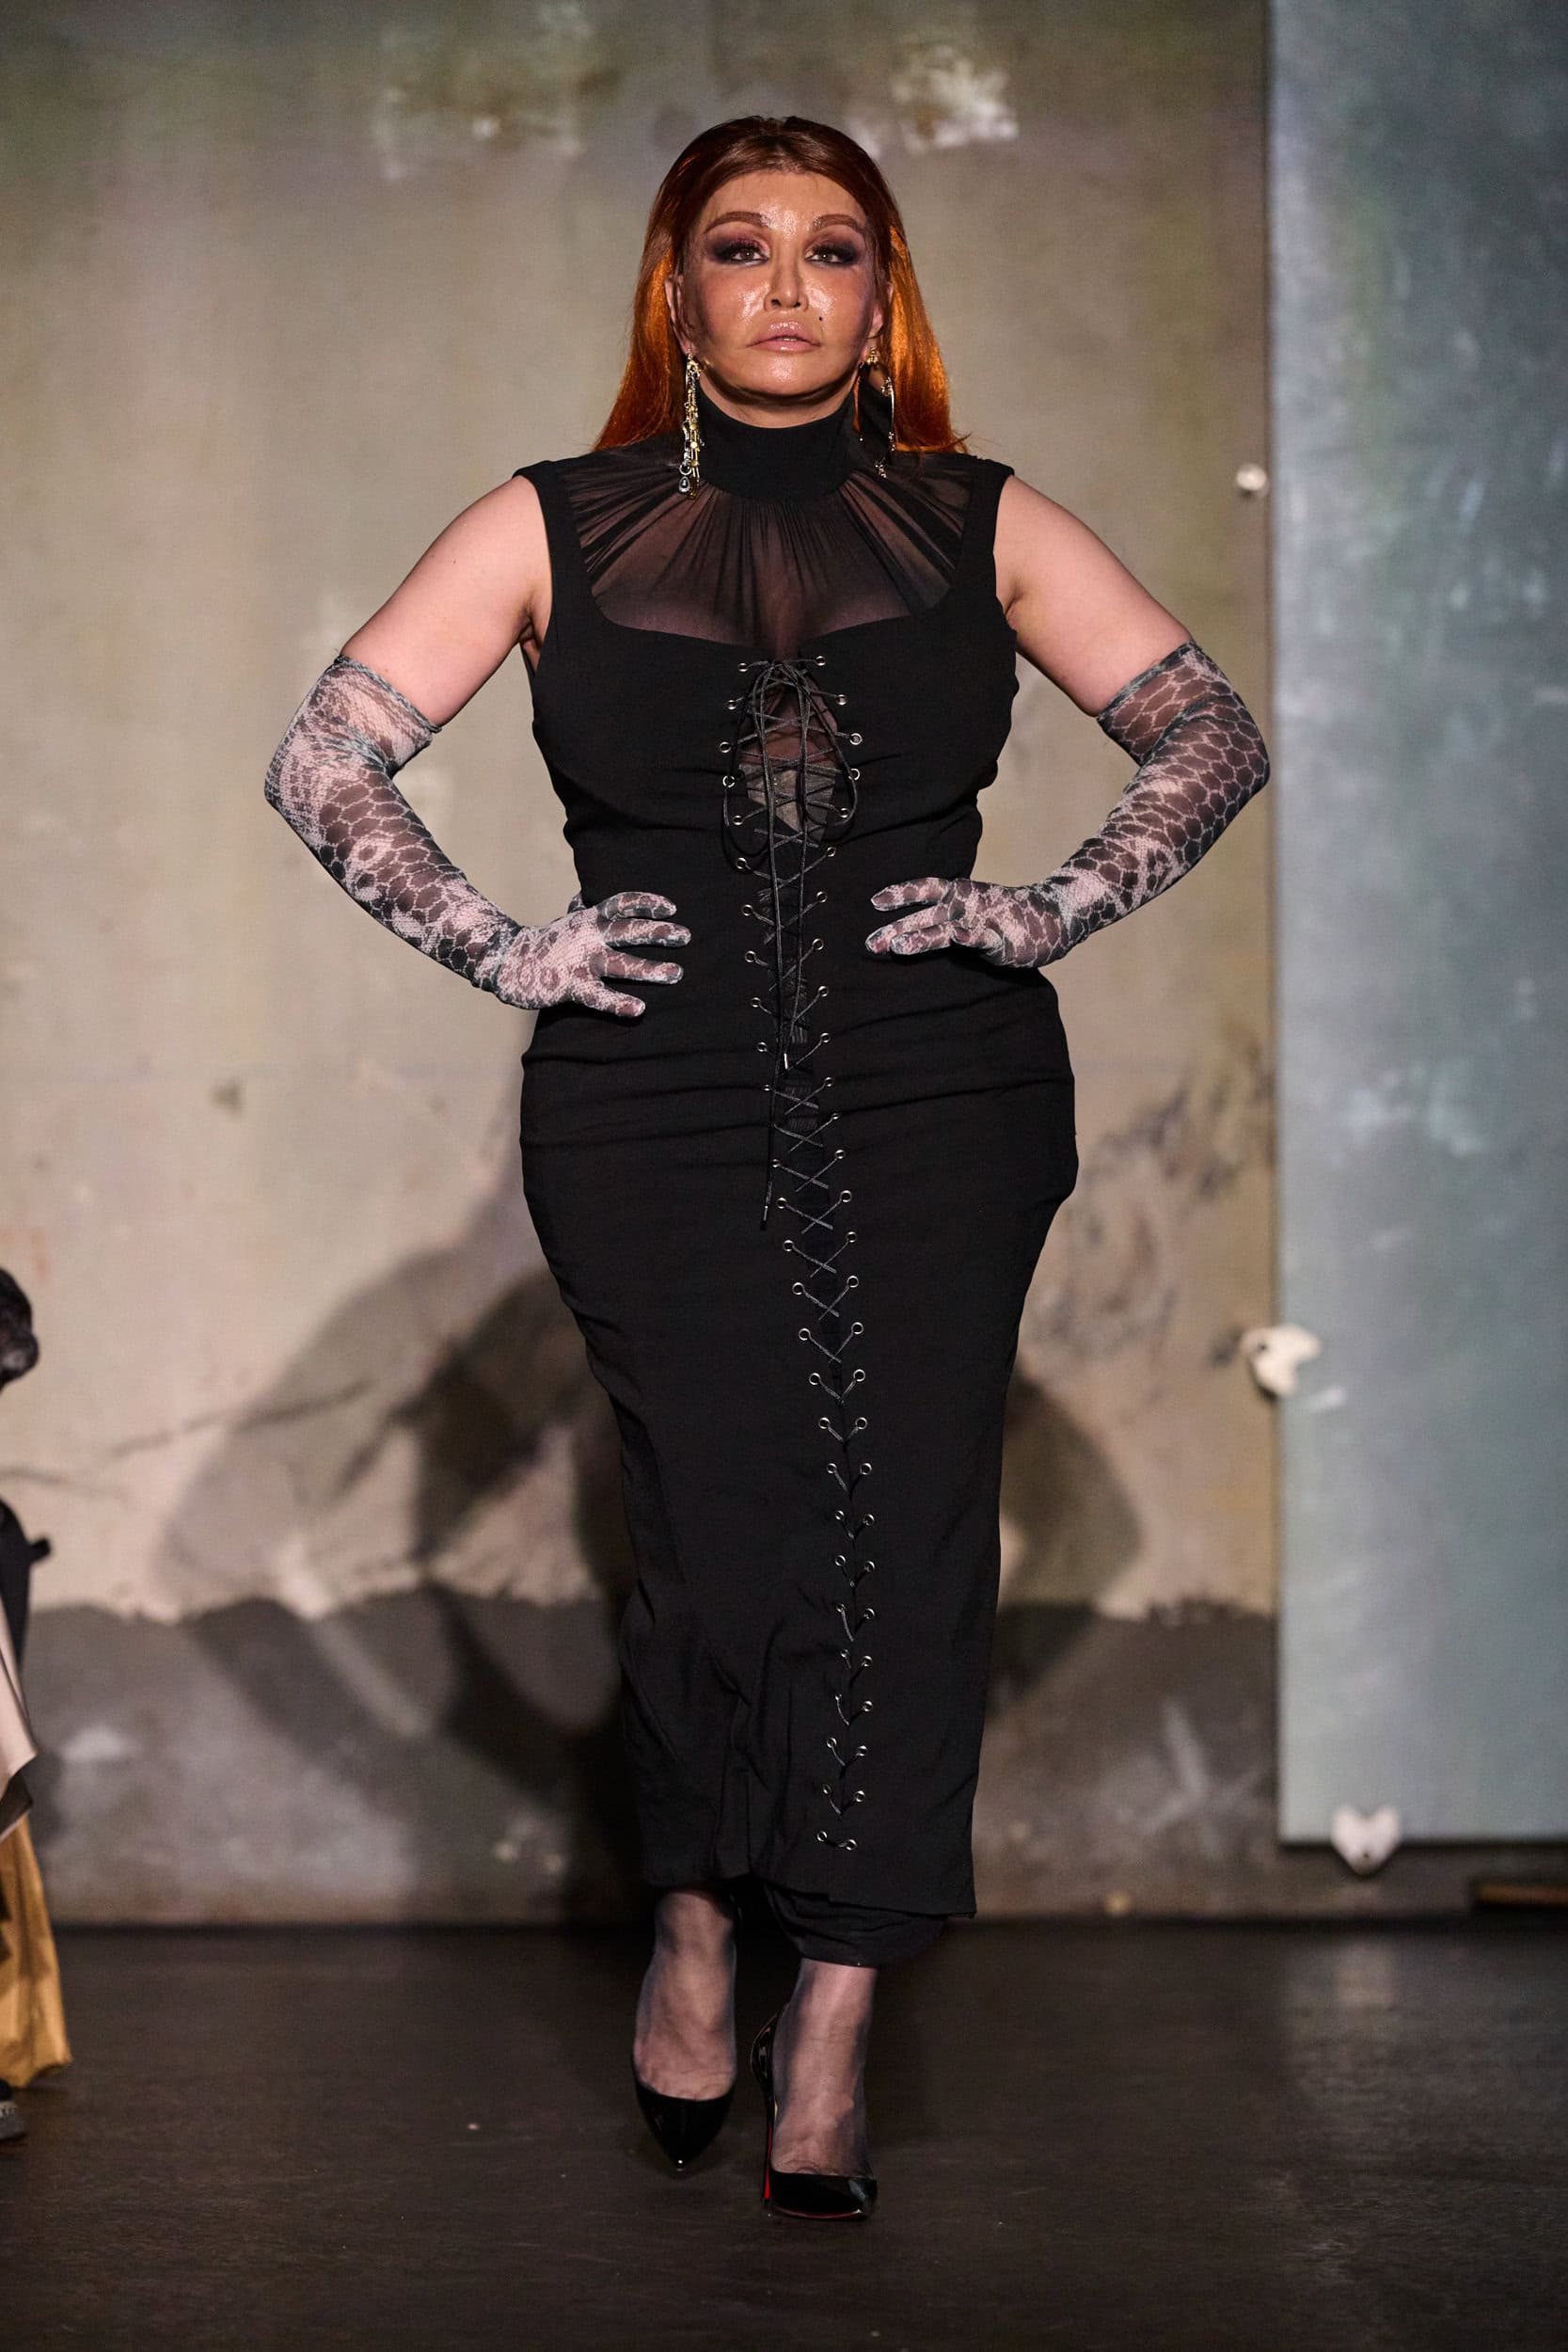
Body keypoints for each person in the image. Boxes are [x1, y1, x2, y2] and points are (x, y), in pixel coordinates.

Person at [262, 114, 1269, 2219]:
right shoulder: (553, 520)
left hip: (941, 1090)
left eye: (834, 248)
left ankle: (839, 2010)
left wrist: (1050, 906)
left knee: (913, 1537)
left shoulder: (981, 518)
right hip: (650, 1099)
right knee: (711, 1539)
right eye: (742, 246)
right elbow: (324, 755)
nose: (789, 284)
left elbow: (1209, 730)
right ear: (680, 288)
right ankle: (703, 1911)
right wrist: (503, 946)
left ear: (883, 297)